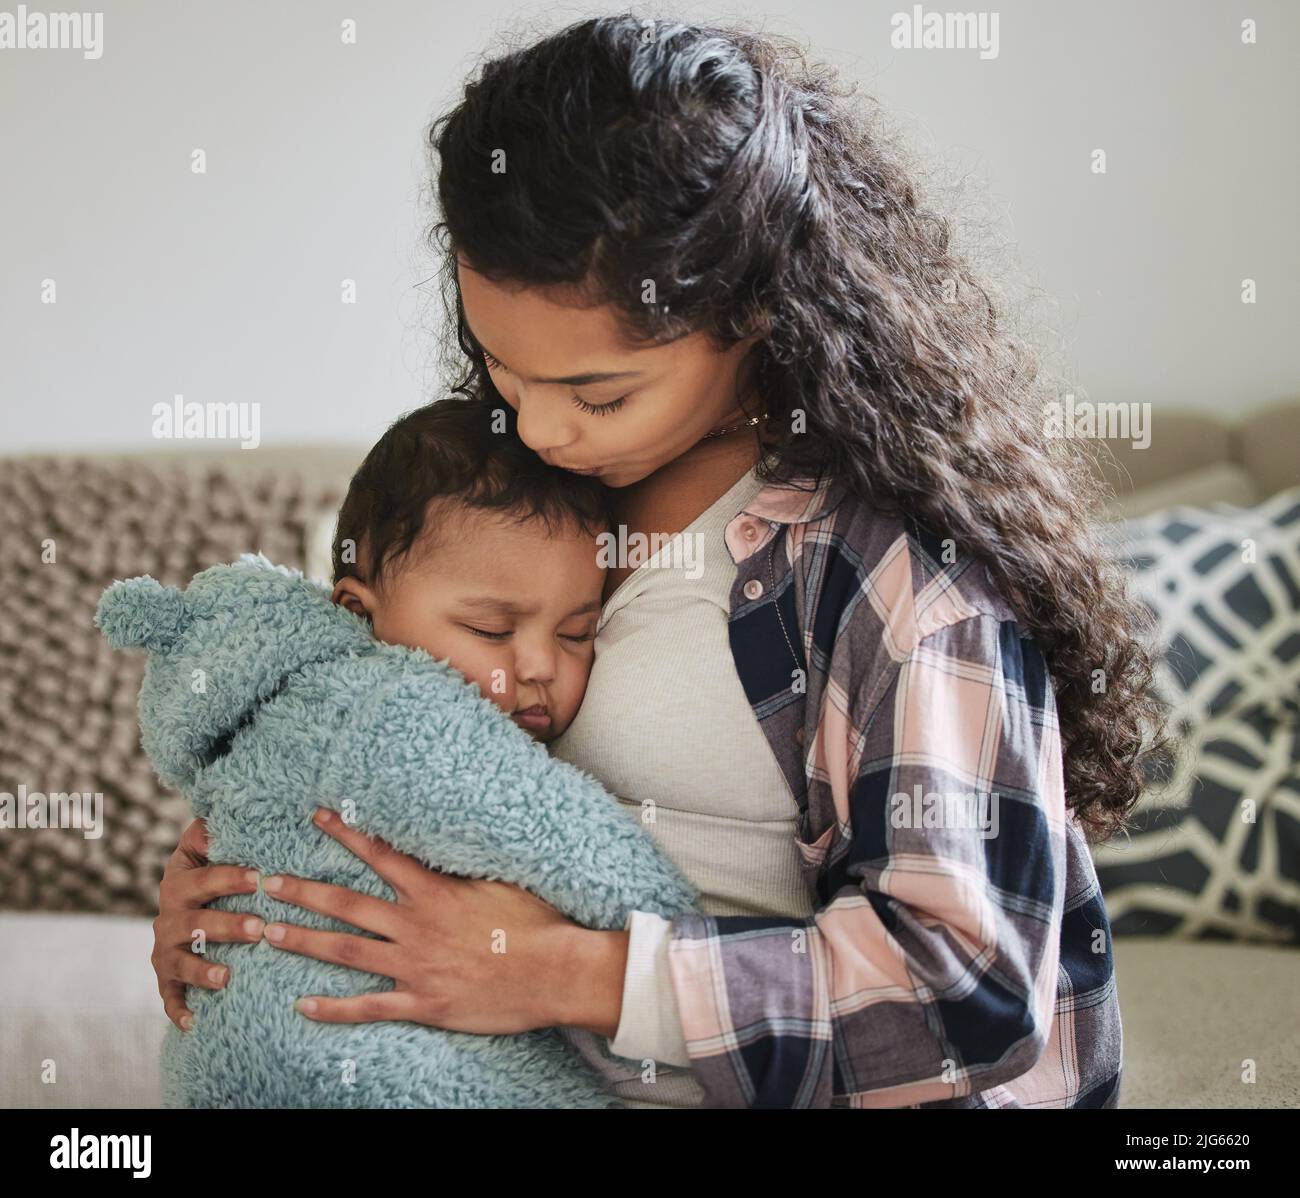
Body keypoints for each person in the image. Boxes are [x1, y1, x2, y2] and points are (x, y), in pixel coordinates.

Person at [148, 15, 1168, 1108]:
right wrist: (235, 884)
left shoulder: (899, 580)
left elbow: (964, 995)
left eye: (598, 393)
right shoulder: (506, 499)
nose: (537, 429)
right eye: (502, 368)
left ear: (757, 312)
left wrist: (555, 973)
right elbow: (368, 718)